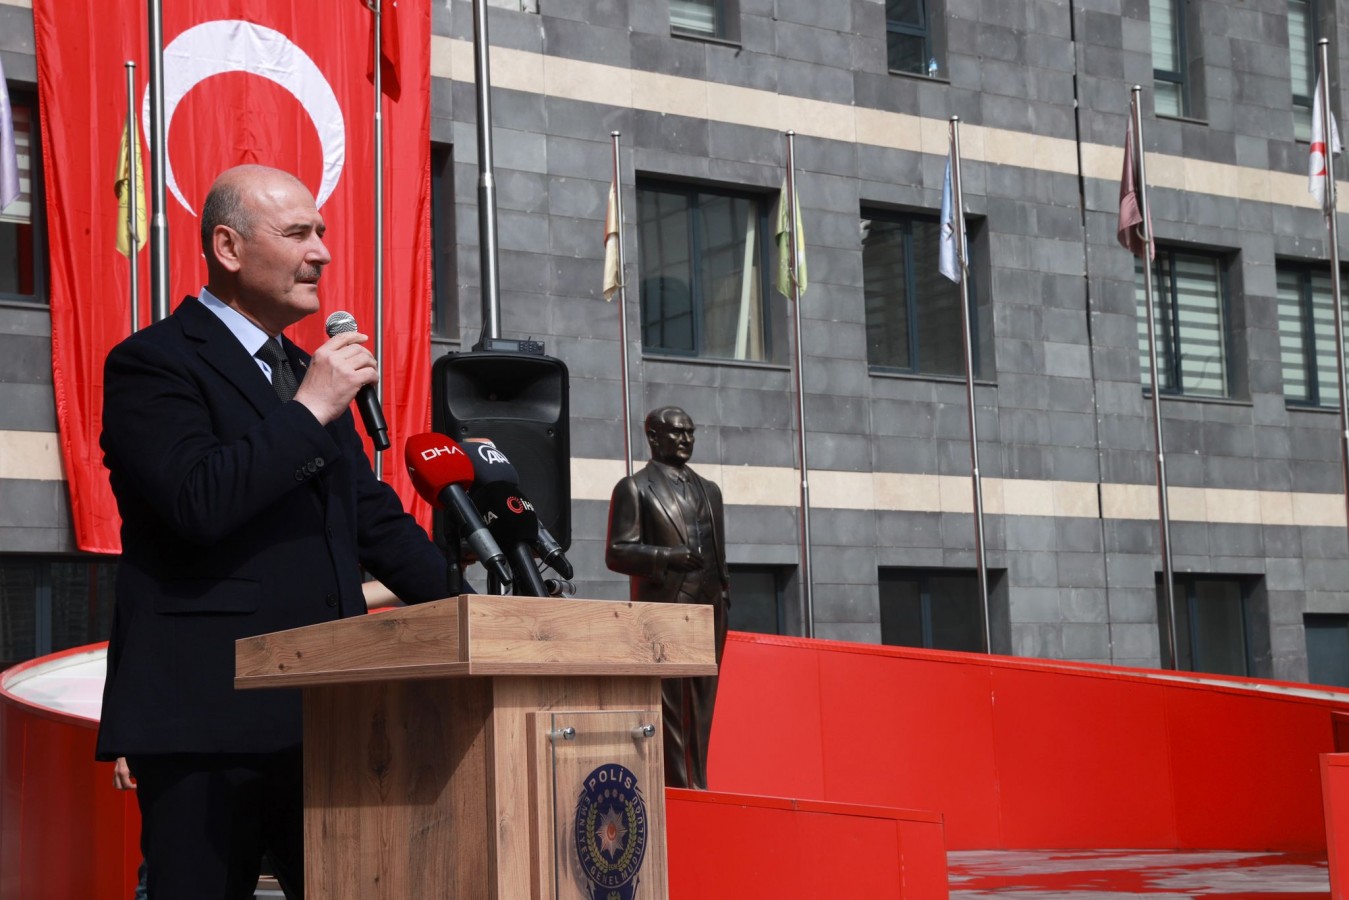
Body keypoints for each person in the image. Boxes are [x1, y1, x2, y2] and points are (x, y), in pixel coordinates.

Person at [95, 165, 455, 900]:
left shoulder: (300, 370)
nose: (321, 252)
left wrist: (474, 609)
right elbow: (197, 502)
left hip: (328, 716)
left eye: (320, 232)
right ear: (227, 247)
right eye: (297, 233)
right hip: (207, 721)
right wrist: (309, 409)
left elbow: (372, 520)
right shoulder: (152, 363)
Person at [605, 406, 729, 790]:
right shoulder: (635, 487)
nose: (685, 440)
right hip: (666, 609)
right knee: (671, 705)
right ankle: (677, 788)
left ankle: (699, 782)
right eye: (676, 433)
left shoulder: (710, 491)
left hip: (710, 607)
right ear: (654, 437)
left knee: (702, 703)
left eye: (690, 433)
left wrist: (723, 593)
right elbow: (617, 552)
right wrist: (666, 557)